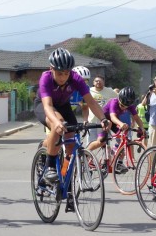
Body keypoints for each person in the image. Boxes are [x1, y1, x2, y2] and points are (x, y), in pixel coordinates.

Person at [34, 48, 110, 185]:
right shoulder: (46, 78)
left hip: (64, 106)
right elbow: (48, 106)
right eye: (59, 73)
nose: (63, 77)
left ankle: (65, 180)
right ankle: (50, 166)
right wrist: (56, 122)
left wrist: (103, 119)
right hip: (45, 105)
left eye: (66, 73)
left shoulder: (76, 79)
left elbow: (91, 102)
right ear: (51, 68)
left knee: (71, 145)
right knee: (59, 125)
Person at [86, 87, 145, 152]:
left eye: (126, 107)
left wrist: (142, 128)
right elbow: (112, 117)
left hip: (114, 121)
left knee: (124, 140)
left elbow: (137, 118)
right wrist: (121, 124)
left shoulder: (130, 105)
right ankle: (86, 152)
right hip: (104, 120)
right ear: (119, 99)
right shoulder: (114, 101)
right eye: (122, 105)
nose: (123, 108)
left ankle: (117, 158)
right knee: (101, 142)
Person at [87, 75, 117, 143]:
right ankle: (88, 153)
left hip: (104, 121)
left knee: (105, 142)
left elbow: (118, 99)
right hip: (92, 121)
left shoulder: (109, 91)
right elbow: (84, 105)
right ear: (93, 82)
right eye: (96, 81)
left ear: (104, 82)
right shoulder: (89, 90)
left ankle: (107, 153)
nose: (98, 82)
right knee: (90, 142)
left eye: (100, 81)